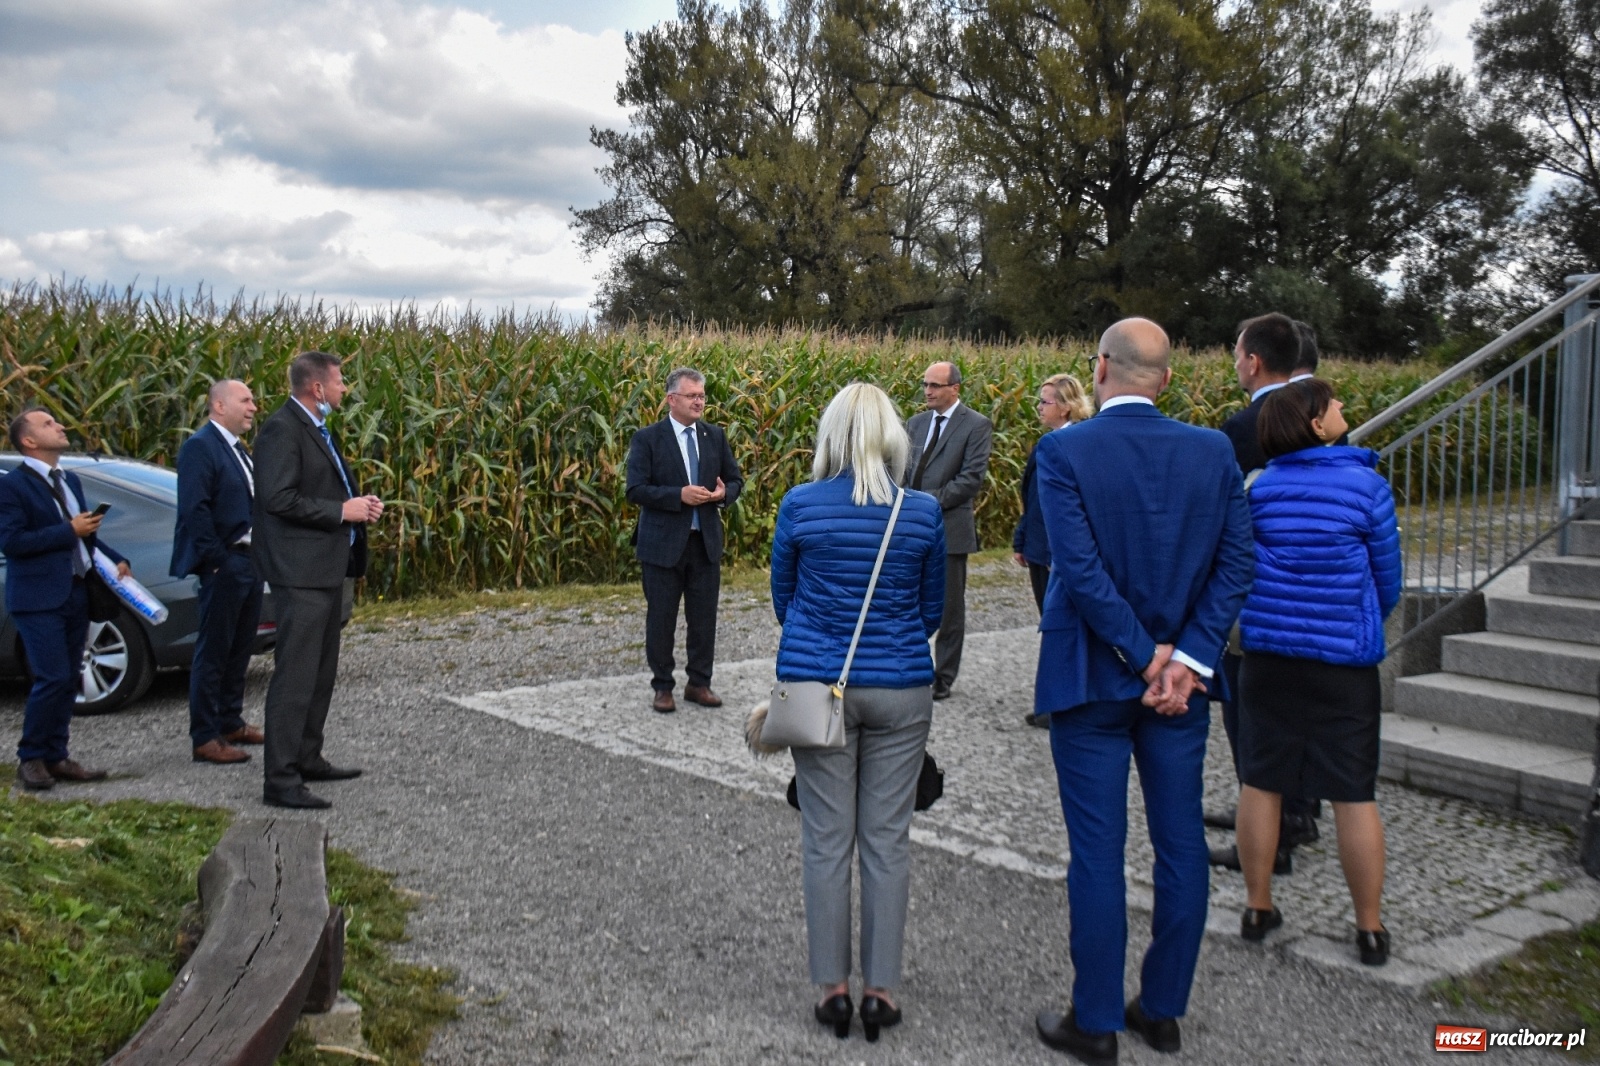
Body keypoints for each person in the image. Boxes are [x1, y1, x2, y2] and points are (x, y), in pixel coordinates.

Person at [1032, 319, 1253, 1063]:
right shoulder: (1213, 451)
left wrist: (1141, 653)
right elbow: (1236, 563)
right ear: (1165, 378)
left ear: (1099, 369)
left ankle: (1095, 1022)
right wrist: (1185, 659)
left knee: (1097, 852)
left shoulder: (1064, 450)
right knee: (1181, 843)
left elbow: (1080, 569)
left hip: (1094, 676)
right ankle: (1162, 1010)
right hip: (1178, 692)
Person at [770, 383, 945, 1044]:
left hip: (820, 690)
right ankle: (881, 991)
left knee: (825, 838)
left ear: (831, 436)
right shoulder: (921, 513)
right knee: (886, 839)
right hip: (901, 689)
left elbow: (785, 603)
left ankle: (831, 990)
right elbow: (932, 613)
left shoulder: (800, 505)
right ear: (894, 438)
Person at [1233, 379, 1400, 965]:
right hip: (1342, 664)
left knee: (1262, 779)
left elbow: (1242, 568)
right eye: (1335, 406)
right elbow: (1387, 582)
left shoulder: (1258, 488)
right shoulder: (1367, 488)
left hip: (1269, 658)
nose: (1344, 410)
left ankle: (1257, 906)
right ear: (1316, 423)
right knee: (1353, 793)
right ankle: (1370, 928)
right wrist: (1352, 624)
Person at [1209, 311, 1319, 876]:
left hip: (1255, 599)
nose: (1233, 362)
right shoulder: (1320, 417)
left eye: (1235, 352)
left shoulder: (1242, 429)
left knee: (1248, 720)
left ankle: (1266, 831)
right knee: (1295, 718)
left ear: (1253, 360)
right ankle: (1297, 811)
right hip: (1313, 603)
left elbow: (1226, 522)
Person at [253, 351, 383, 810]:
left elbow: (319, 490)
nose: (345, 388)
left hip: (326, 569)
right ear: (317, 388)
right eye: (340, 381)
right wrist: (338, 512)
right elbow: (276, 498)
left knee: (321, 673)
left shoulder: (316, 429)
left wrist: (357, 504)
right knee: (295, 675)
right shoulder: (282, 430)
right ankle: (281, 779)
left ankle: (308, 757)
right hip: (300, 573)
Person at [0, 408, 130, 791]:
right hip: (38, 595)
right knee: (51, 676)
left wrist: (111, 554)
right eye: (48, 424)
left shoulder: (67, 479)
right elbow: (12, 542)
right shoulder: (13, 486)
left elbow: (81, 534)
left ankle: (57, 755)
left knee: (68, 676)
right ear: (29, 441)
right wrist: (67, 529)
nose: (59, 426)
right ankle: (31, 758)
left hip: (74, 590)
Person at [625, 368, 744, 713]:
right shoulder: (648, 439)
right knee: (661, 618)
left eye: (702, 396)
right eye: (692, 396)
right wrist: (679, 495)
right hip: (662, 546)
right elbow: (636, 490)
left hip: (704, 542)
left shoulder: (714, 436)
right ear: (671, 399)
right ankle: (662, 686)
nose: (699, 402)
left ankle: (699, 683)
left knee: (704, 618)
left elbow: (735, 480)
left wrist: (723, 495)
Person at [172, 379, 266, 766]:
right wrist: (217, 560)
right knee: (213, 652)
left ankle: (230, 721)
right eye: (246, 399)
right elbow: (194, 510)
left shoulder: (239, 450)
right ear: (219, 405)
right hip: (225, 562)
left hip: (250, 560)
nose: (253, 407)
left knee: (239, 648)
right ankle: (205, 736)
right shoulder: (200, 448)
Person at [905, 361, 992, 700]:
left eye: (935, 385)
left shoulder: (975, 425)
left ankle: (943, 677)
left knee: (949, 609)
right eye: (925, 384)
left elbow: (970, 480)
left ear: (955, 388)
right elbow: (902, 468)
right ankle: (913, 669)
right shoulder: (915, 424)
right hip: (910, 527)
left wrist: (924, 502)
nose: (928, 391)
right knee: (907, 602)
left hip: (949, 528)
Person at [1014, 373, 1093, 728]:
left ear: (1065, 406)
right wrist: (1021, 539)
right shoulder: (1050, 443)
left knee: (1058, 624)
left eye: (1046, 401)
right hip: (1039, 545)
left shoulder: (1073, 445)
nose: (1039, 408)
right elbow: (1032, 499)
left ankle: (1060, 703)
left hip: (1054, 550)